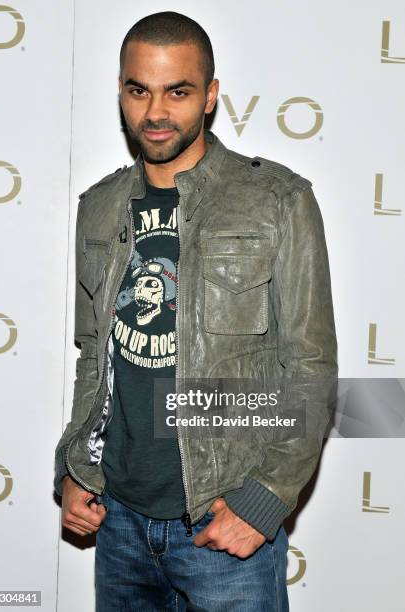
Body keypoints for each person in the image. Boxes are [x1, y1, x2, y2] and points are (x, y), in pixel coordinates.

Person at [54, 10, 338, 612]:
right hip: (119, 521)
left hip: (221, 521)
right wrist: (75, 465)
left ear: (210, 96)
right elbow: (92, 357)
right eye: (139, 90)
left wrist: (262, 503)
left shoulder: (277, 201)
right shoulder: (99, 207)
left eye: (177, 91)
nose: (155, 112)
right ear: (123, 94)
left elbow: (310, 371)